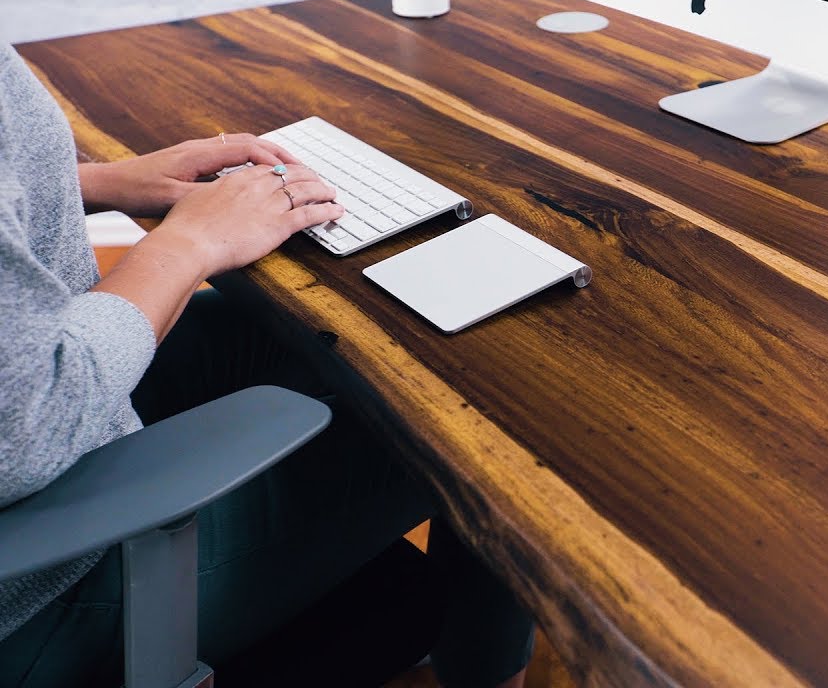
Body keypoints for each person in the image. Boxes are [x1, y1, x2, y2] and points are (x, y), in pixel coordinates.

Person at [0, 44, 533, 687]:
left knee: (300, 343)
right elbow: (25, 430)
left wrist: (95, 181)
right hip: (43, 585)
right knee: (493, 428)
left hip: (54, 399)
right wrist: (189, 244)